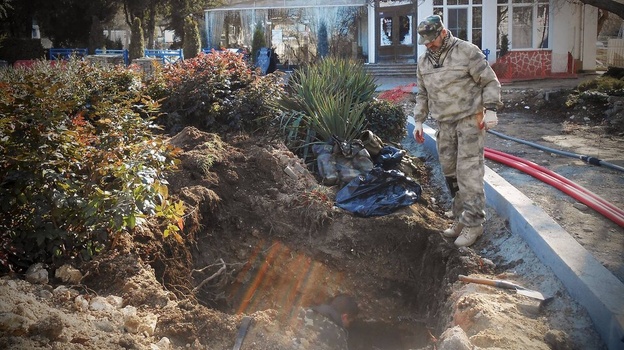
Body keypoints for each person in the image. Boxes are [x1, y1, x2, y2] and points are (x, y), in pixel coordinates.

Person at [412, 15, 502, 247]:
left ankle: (474, 224)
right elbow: (423, 93)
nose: (429, 45)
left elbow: (490, 81)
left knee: (468, 172)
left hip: (470, 120)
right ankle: (461, 217)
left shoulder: (467, 52)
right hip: (444, 123)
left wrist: (491, 109)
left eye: (433, 40)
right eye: (426, 42)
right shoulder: (424, 62)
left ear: (443, 32)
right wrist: (419, 120)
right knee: (450, 171)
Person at [293, 294, 359, 349]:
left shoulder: (303, 312)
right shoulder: (338, 336)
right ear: (344, 317)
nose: (348, 325)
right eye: (350, 321)